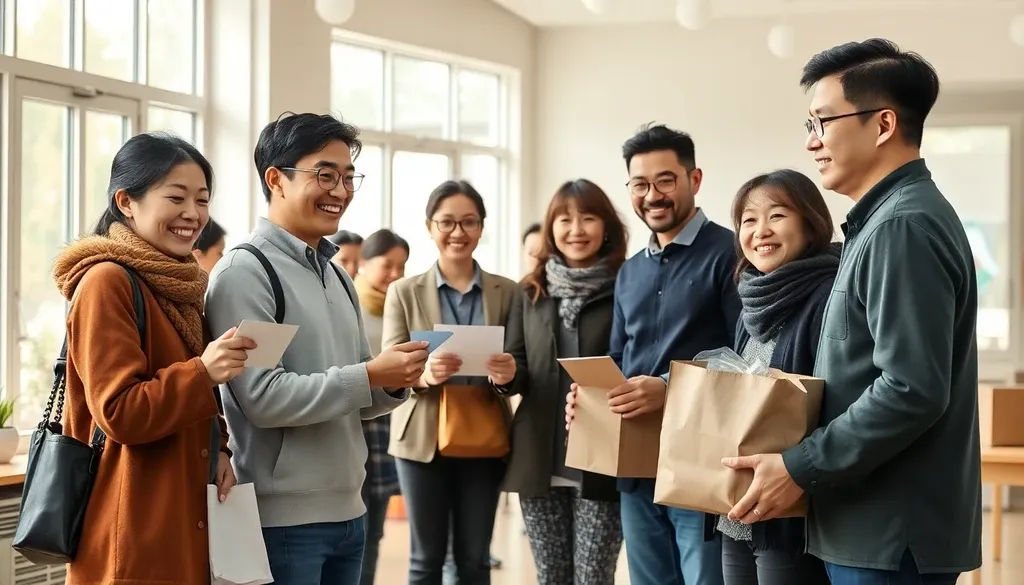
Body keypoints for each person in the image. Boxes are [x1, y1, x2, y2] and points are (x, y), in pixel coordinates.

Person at [724, 39, 982, 585]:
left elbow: (911, 388)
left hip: (888, 535)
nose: (812, 140)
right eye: (809, 125)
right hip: (866, 528)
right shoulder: (879, 224)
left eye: (822, 121)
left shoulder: (901, 226)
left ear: (883, 124)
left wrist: (799, 466)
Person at [205, 112, 429, 585]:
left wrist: (392, 382)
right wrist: (371, 375)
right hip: (284, 520)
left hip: (350, 508)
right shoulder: (247, 272)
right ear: (276, 180)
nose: (340, 191)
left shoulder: (336, 273)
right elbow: (264, 399)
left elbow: (353, 392)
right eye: (325, 175)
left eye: (348, 177)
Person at [52, 132, 249, 583]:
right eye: (176, 197)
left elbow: (196, 404)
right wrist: (203, 371)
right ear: (126, 201)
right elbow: (120, 413)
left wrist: (220, 449)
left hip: (179, 521)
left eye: (202, 200)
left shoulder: (180, 285)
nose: (193, 214)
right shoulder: (106, 282)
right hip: (131, 535)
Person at [567, 123, 740, 585]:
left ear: (694, 179)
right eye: (640, 184)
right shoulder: (629, 272)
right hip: (634, 465)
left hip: (702, 461)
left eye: (665, 181)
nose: (652, 196)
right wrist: (589, 401)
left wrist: (668, 388)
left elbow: (748, 357)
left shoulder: (731, 253)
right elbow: (618, 360)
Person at [383, 180, 519, 585]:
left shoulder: (507, 292)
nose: (458, 232)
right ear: (430, 227)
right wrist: (424, 374)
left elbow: (522, 364)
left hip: (486, 434)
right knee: (425, 560)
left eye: (469, 222)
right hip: (421, 437)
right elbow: (390, 365)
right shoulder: (403, 292)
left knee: (474, 560)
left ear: (481, 227)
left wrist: (507, 377)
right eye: (447, 222)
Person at [503, 179, 628, 584]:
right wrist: (506, 375)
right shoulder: (530, 291)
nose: (576, 230)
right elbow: (519, 367)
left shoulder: (627, 285)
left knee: (594, 577)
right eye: (564, 220)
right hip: (539, 455)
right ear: (550, 228)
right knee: (551, 576)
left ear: (606, 227)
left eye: (588, 218)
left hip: (604, 456)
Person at [717, 169, 835, 585]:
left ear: (811, 223)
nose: (761, 231)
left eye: (777, 216)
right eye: (748, 220)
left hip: (790, 507)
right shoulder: (751, 302)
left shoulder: (828, 297)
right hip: (737, 506)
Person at [353, 228, 411, 585]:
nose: (395, 274)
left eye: (401, 267)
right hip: (354, 420)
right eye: (387, 265)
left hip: (386, 419)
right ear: (364, 263)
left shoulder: (400, 306)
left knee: (374, 528)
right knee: (353, 525)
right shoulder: (349, 304)